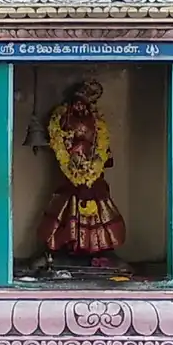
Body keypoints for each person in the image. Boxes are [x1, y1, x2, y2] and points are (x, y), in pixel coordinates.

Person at [40, 78, 127, 261]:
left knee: (99, 206)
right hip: (71, 167)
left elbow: (100, 144)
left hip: (93, 168)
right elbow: (61, 142)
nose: (80, 107)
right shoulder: (64, 118)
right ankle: (68, 245)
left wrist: (96, 161)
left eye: (84, 104)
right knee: (68, 206)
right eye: (77, 103)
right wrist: (71, 161)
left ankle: (97, 247)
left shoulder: (96, 121)